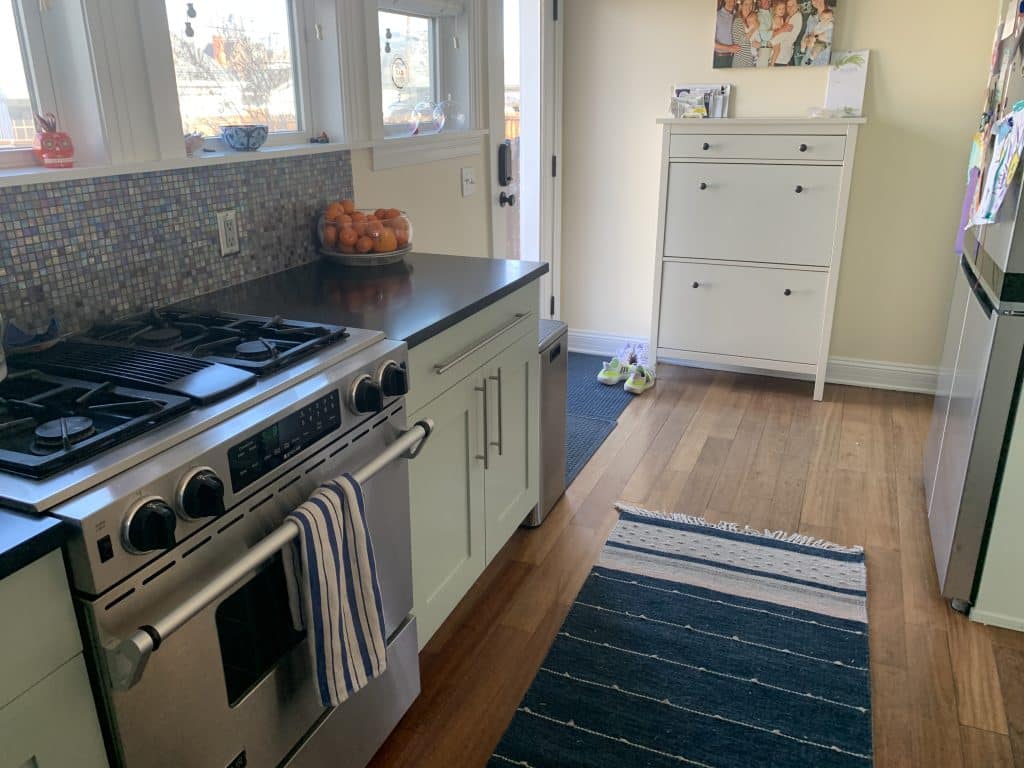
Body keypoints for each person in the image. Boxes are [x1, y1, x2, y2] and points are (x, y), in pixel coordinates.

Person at [801, 0, 835, 65]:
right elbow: (806, 35)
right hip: (808, 58)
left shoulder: (833, 14)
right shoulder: (811, 18)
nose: (816, 1)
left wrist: (815, 37)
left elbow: (834, 35)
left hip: (824, 58)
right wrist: (806, 40)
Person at [770, 0, 802, 66]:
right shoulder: (778, 18)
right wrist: (785, 25)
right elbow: (781, 30)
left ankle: (771, 65)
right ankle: (771, 64)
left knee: (776, 51)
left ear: (798, 6)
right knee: (776, 51)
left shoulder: (797, 16)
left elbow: (786, 33)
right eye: (788, 6)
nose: (790, 8)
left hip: (782, 57)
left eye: (792, 5)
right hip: (779, 53)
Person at [714, 0, 740, 68]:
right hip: (720, 59)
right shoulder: (716, 16)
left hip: (736, 58)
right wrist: (729, 48)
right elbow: (710, 42)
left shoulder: (738, 16)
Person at [731, 0, 756, 67]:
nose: (749, 6)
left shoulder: (752, 20)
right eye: (746, 4)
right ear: (741, 6)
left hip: (750, 62)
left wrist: (759, 44)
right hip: (740, 62)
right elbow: (741, 41)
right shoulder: (738, 21)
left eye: (751, 4)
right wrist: (753, 28)